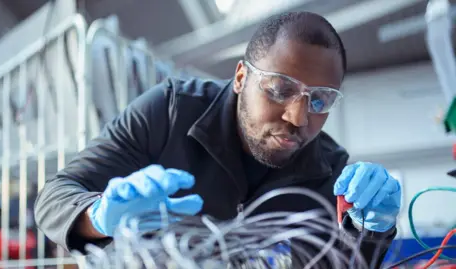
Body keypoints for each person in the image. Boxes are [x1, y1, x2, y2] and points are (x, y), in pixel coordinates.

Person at [34, 11, 401, 268]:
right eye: (279, 89)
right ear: (241, 77)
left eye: (320, 99)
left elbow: (336, 264)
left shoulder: (330, 169)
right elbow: (55, 195)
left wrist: (371, 230)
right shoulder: (171, 111)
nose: (299, 117)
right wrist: (98, 216)